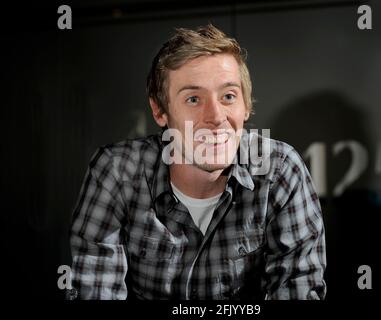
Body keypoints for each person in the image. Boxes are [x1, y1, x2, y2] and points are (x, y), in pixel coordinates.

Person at [68, 24, 326, 300]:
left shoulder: (280, 170)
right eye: (193, 99)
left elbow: (297, 289)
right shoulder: (118, 172)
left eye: (228, 96)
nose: (215, 116)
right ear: (159, 111)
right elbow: (94, 291)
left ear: (246, 105)